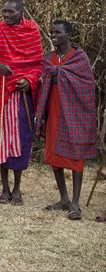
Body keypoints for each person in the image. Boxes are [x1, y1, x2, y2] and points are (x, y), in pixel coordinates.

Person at [35, 20, 98, 220]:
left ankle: (75, 203)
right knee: (54, 154)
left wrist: (59, 74)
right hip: (53, 112)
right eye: (51, 32)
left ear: (68, 35)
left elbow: (87, 85)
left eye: (58, 32)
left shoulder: (79, 58)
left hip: (75, 113)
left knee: (75, 155)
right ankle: (63, 198)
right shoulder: (48, 58)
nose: (53, 35)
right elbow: (44, 83)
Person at [0, 0, 43, 206]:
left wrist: (29, 80)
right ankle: (5, 189)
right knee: (0, 140)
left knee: (20, 139)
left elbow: (38, 64)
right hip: (0, 93)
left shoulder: (32, 32)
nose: (6, 15)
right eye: (4, 11)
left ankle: (17, 189)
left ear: (21, 12)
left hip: (21, 96)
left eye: (10, 12)